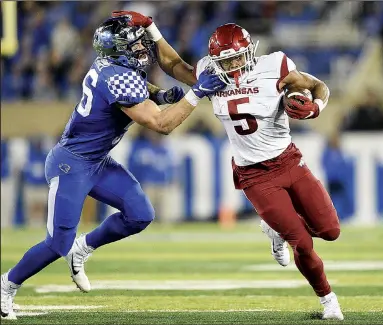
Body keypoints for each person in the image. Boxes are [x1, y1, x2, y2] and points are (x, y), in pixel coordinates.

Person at [0, 15, 225, 320]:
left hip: (97, 161)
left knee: (140, 214)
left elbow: (137, 84)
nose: (141, 49)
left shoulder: (112, 68)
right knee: (56, 244)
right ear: (117, 50)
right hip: (72, 164)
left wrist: (159, 94)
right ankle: (7, 285)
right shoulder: (115, 76)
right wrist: (195, 93)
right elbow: (161, 123)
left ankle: (84, 247)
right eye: (133, 45)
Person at [194, 23, 343, 320]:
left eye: (238, 58)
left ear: (249, 51)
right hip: (254, 175)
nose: (234, 65)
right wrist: (154, 33)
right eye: (227, 60)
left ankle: (276, 227)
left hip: (289, 160)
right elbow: (174, 65)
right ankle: (328, 301)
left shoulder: (275, 64)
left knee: (331, 231)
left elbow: (318, 86)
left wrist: (314, 108)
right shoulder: (206, 73)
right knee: (302, 242)